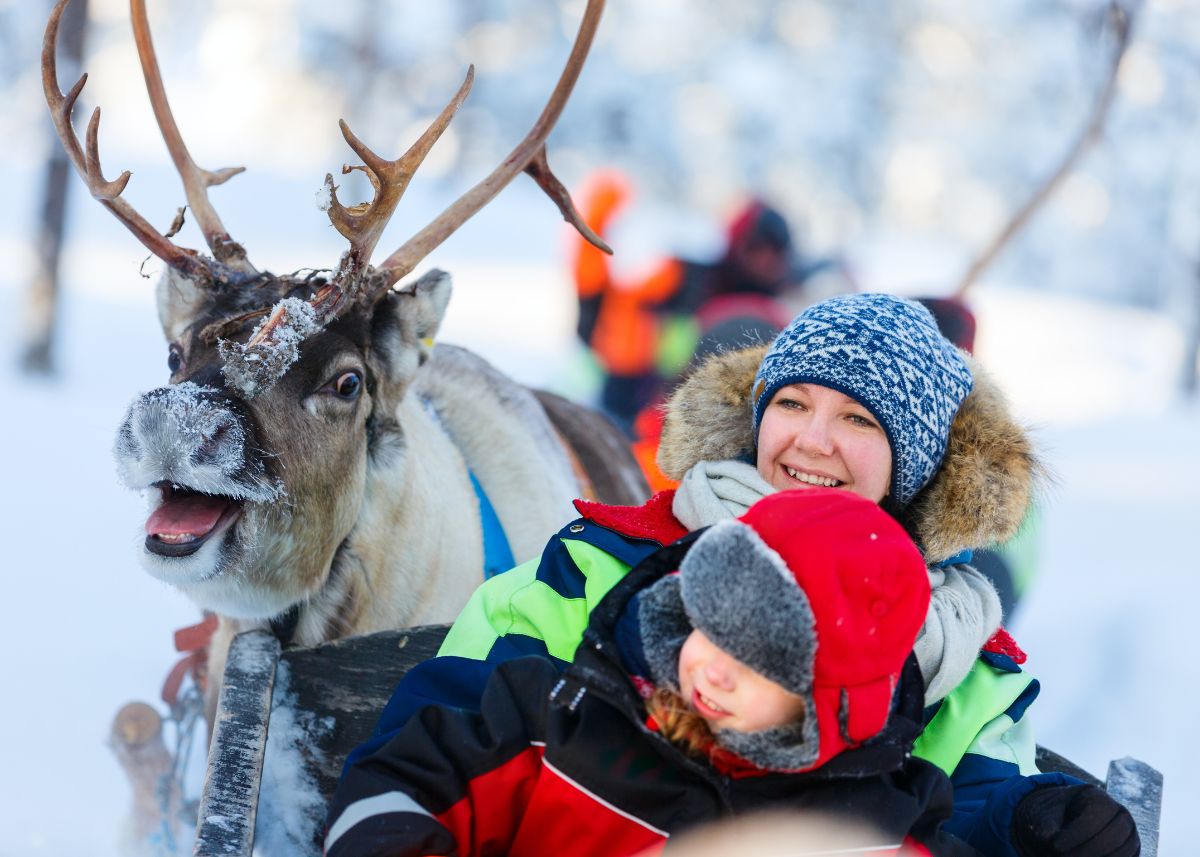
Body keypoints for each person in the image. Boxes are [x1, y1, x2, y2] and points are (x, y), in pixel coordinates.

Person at [341, 294, 1138, 857]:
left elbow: (965, 803)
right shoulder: (605, 564)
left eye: (859, 420)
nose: (812, 442)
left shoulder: (962, 661)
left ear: (917, 465)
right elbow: (460, 725)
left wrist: (1032, 817)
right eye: (791, 404)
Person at [326, 490, 978, 856]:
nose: (714, 669)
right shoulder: (554, 720)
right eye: (707, 627)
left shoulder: (866, 832)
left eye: (758, 663)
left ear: (829, 704)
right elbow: (410, 777)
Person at [572, 171, 849, 434]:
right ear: (738, 244)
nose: (764, 261)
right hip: (635, 411)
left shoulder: (783, 298)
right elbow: (607, 302)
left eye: (775, 252)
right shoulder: (684, 277)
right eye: (756, 248)